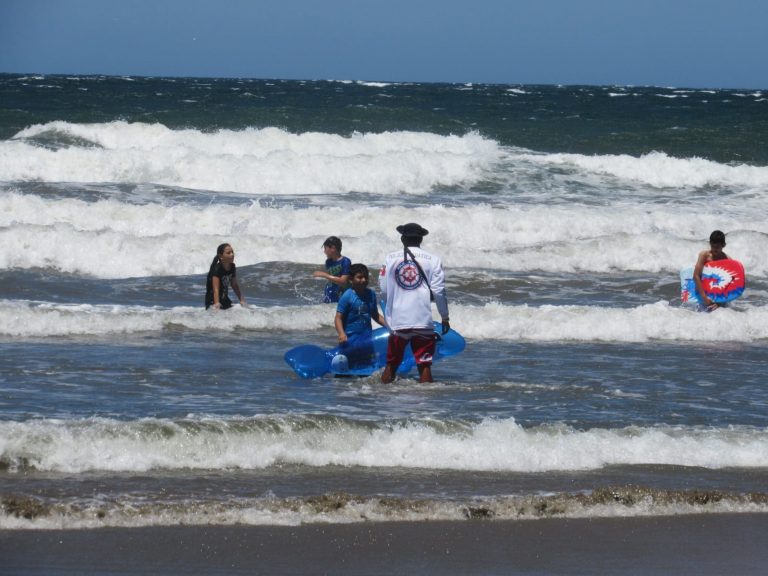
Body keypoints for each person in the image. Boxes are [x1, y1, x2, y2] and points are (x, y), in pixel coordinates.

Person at [379, 223, 450, 383]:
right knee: (424, 365)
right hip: (422, 320)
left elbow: (383, 288)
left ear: (402, 239)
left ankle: (381, 395)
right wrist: (445, 317)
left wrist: (390, 311)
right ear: (421, 239)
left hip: (398, 320)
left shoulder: (390, 258)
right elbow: (439, 291)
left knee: (392, 364)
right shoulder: (434, 260)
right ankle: (426, 398)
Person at [334, 263, 386, 344]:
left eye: (366, 277)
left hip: (367, 338)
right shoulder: (347, 296)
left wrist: (389, 326)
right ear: (351, 279)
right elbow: (338, 318)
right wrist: (341, 334)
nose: (364, 280)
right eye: (360, 277)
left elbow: (375, 315)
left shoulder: (371, 294)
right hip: (350, 339)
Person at [693, 230, 729, 311]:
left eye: (717, 247)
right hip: (703, 290)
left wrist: (719, 302)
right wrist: (704, 297)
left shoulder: (727, 260)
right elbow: (696, 276)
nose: (715, 249)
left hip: (718, 292)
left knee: (721, 311)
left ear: (723, 245)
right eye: (713, 246)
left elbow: (729, 282)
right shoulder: (704, 255)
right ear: (710, 243)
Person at [205, 243, 246, 310]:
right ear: (221, 256)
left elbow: (234, 285)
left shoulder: (232, 266)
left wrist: (242, 300)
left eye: (232, 252)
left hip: (224, 297)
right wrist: (216, 305)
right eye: (228, 253)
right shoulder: (216, 269)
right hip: (212, 300)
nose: (232, 254)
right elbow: (216, 290)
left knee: (237, 311)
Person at [313, 236, 351, 303]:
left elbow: (343, 281)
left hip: (342, 294)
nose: (324, 251)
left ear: (333, 248)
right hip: (330, 293)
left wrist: (324, 275)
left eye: (325, 248)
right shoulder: (328, 262)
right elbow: (331, 279)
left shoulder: (345, 261)